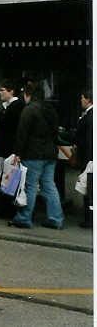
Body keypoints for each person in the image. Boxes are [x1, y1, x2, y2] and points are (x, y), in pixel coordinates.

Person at [9, 81, 64, 229]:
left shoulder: (29, 110)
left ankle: (24, 218)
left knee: (30, 187)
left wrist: (18, 153)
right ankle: (56, 219)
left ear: (28, 95)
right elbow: (55, 132)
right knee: (49, 186)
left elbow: (22, 134)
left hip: (33, 154)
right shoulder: (51, 110)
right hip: (50, 154)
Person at [0, 79, 24, 218]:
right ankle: (3, 208)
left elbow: (8, 129)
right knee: (4, 178)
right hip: (4, 148)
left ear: (11, 91)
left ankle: (7, 209)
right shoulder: (7, 106)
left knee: (9, 179)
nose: (0, 93)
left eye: (2, 90)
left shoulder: (16, 106)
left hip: (10, 149)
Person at [75, 89, 93, 228]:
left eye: (82, 98)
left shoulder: (89, 117)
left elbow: (87, 139)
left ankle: (89, 219)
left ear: (88, 100)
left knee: (89, 188)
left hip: (89, 158)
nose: (81, 100)